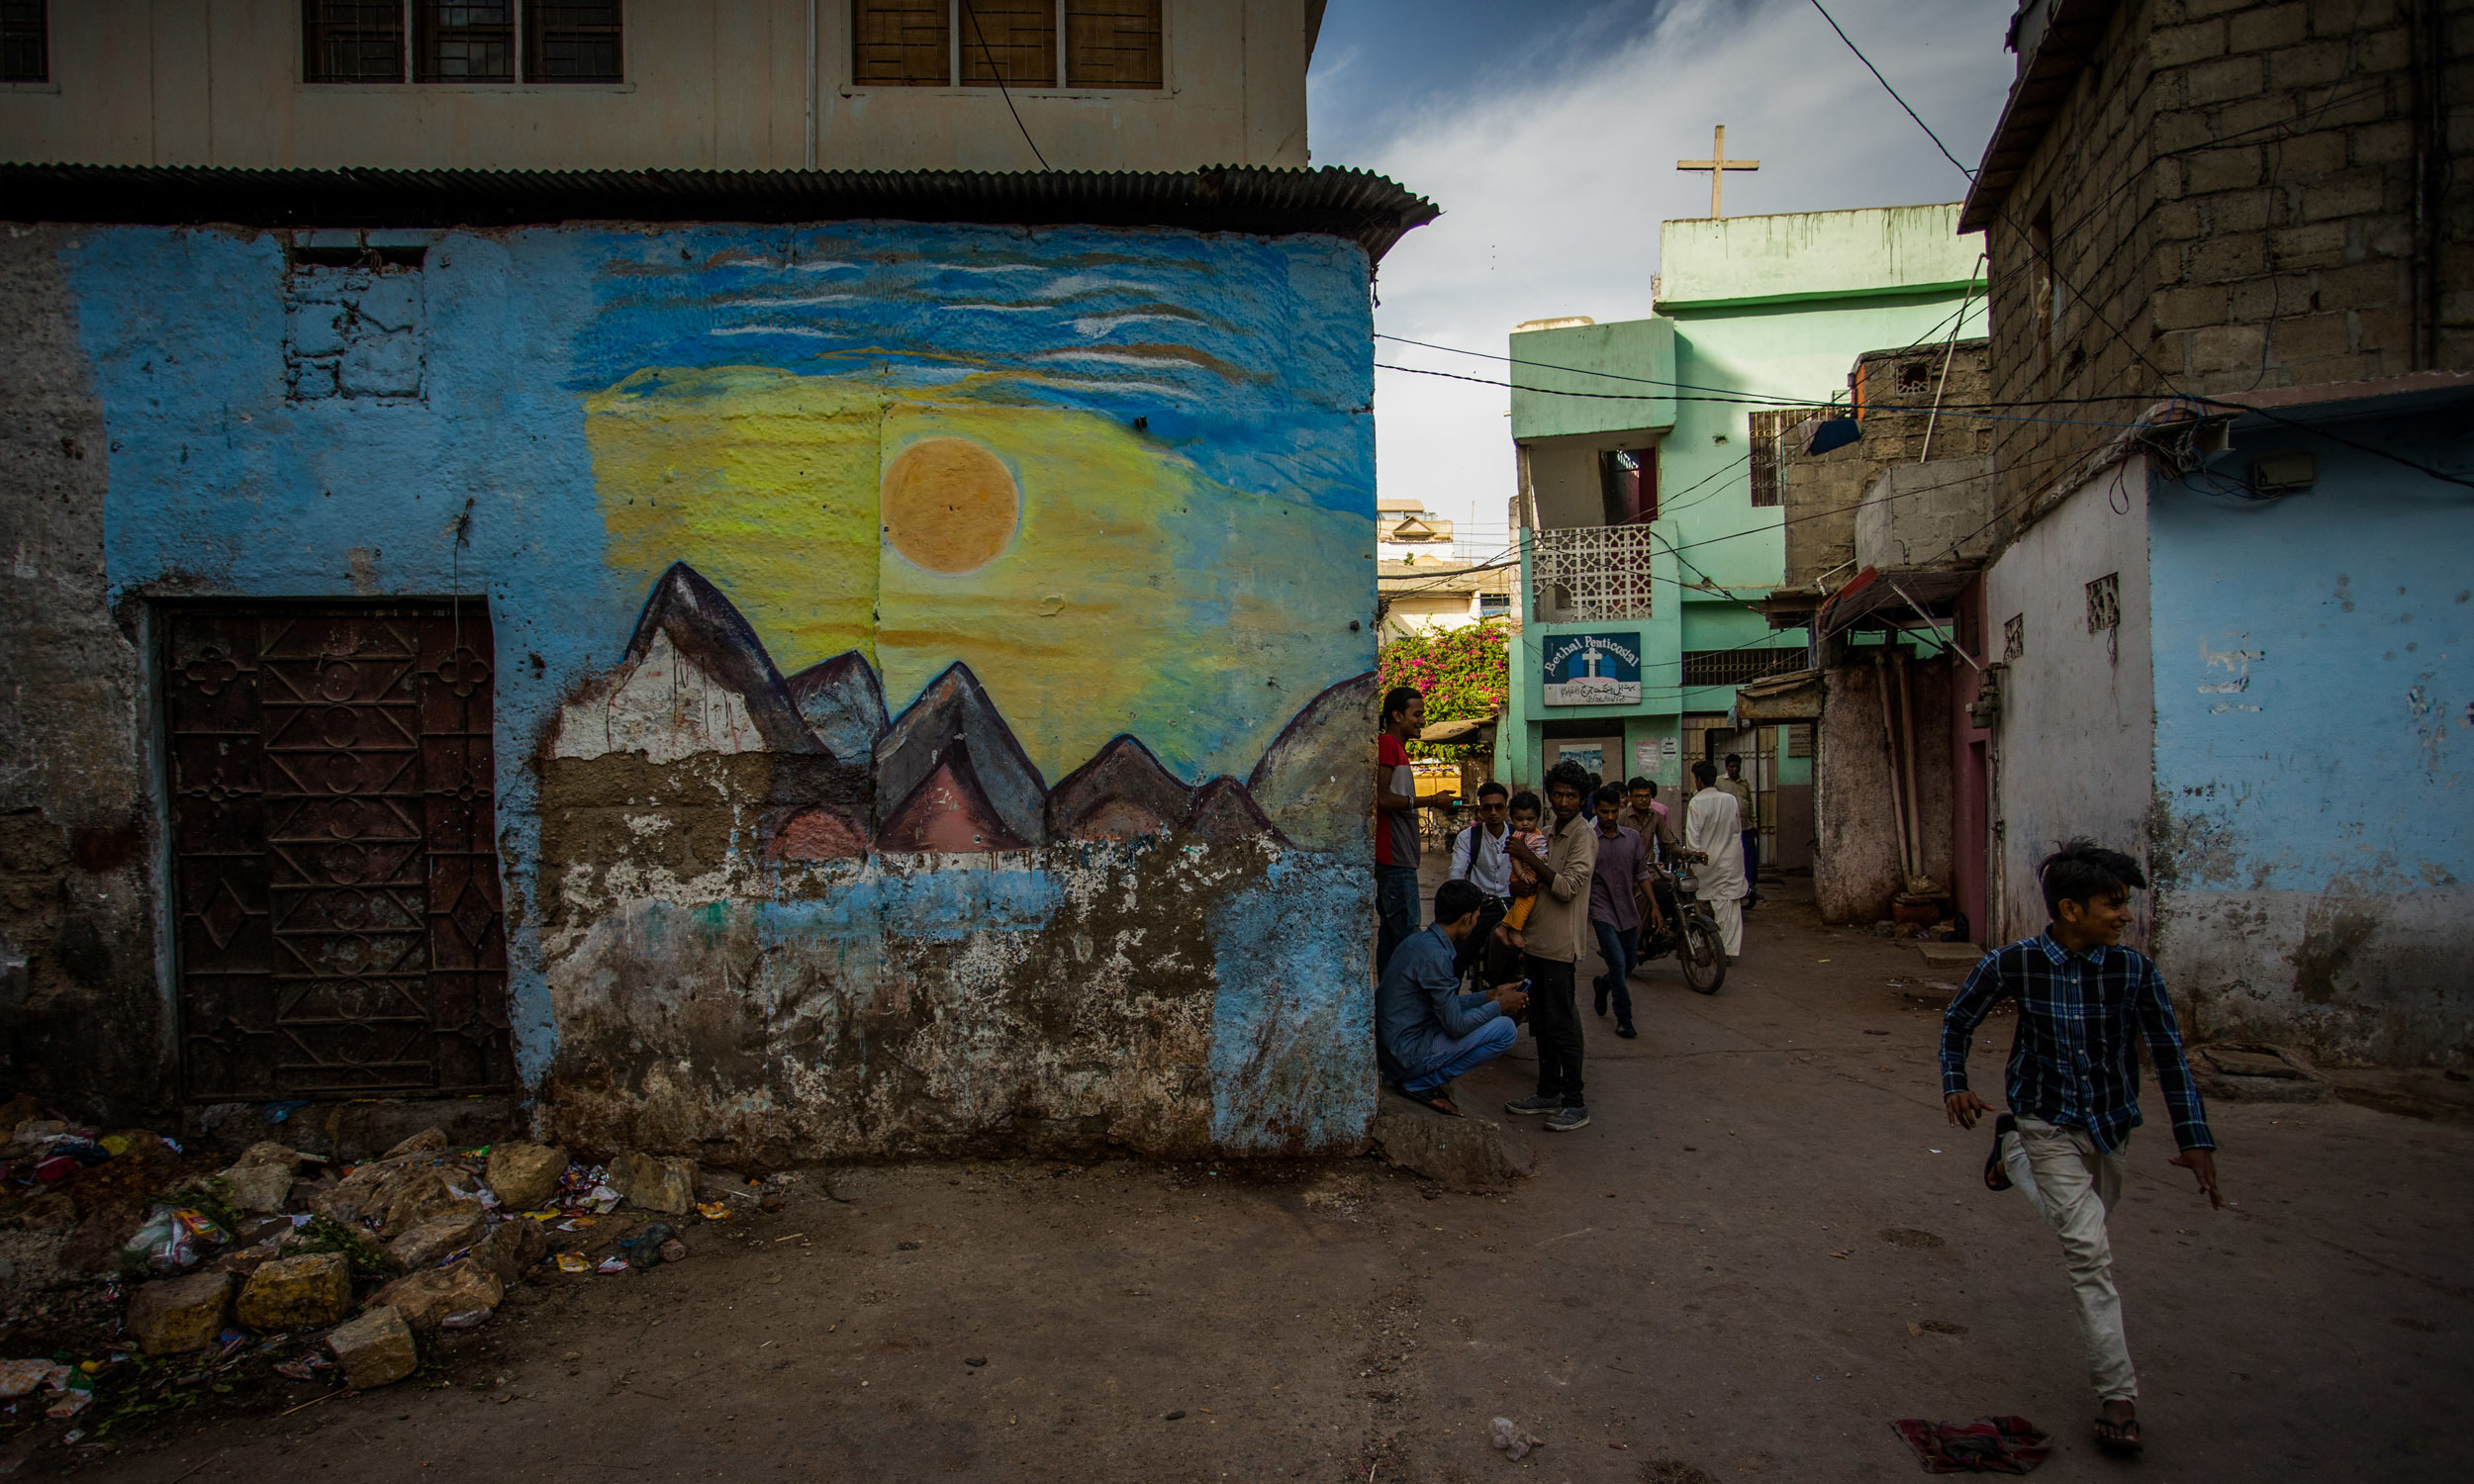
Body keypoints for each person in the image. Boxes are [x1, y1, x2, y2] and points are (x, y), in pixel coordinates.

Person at [1941, 840, 2222, 1456]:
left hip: (2111, 1126)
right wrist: (1956, 1082)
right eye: (2112, 905)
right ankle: (2117, 1394)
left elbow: (2170, 1057)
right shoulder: (2014, 963)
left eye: (2125, 905)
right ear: (2071, 909)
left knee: (2089, 1222)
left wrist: (2194, 1139)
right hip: (2045, 1118)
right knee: (2088, 1249)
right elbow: (1958, 1019)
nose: (2125, 916)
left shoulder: (2135, 972)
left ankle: (2010, 1157)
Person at [1377, 880, 1532, 1117]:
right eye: (1477, 916)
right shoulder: (1436, 957)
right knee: (1505, 1030)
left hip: (1396, 1045)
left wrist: (1489, 995)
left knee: (1490, 1018)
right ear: (1466, 919)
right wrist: (1499, 1005)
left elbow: (1445, 1006)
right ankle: (1421, 1082)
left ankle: (1420, 1079)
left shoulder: (1419, 942)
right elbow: (1456, 1025)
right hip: (1406, 1055)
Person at [1501, 761, 1598, 1132]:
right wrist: (1518, 883)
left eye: (1571, 795)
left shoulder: (1582, 837)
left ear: (1582, 799)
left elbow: (1567, 887)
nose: (1563, 801)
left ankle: (1575, 1101)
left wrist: (1527, 859)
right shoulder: (1548, 832)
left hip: (1560, 944)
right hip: (1536, 939)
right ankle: (1547, 1091)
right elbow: (1528, 884)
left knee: (1562, 1023)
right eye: (1557, 794)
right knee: (1541, 1021)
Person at [1375, 686, 1456, 974]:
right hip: (1393, 857)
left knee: (1391, 937)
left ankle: (1388, 1002)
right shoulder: (1387, 745)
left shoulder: (1397, 749)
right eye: (1417, 714)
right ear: (1397, 715)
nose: (1421, 721)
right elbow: (1381, 798)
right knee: (1408, 936)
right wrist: (1433, 800)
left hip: (1399, 856)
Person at [1584, 786, 1658, 1039]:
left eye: (1614, 812)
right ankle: (1624, 1018)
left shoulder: (1632, 838)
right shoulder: (1588, 840)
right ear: (1595, 810)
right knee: (1616, 961)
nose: (1609, 817)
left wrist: (1655, 907)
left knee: (1629, 963)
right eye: (1604, 812)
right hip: (1601, 910)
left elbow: (1642, 874)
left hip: (1627, 909)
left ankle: (1603, 983)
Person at [1446, 781, 1515, 978]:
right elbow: (1457, 873)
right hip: (1480, 908)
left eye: (1498, 807)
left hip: (1512, 907)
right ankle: (1450, 1002)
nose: (1493, 812)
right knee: (1455, 959)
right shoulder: (1468, 837)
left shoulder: (1519, 836)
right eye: (1487, 807)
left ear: (1506, 809)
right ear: (1480, 810)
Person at [1682, 760, 1746, 960]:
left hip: (1706, 861)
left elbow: (1693, 838)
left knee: (1697, 903)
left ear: (1699, 780)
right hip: (1730, 859)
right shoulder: (1730, 799)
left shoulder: (1696, 802)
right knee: (1728, 905)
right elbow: (1736, 829)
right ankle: (1726, 950)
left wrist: (1691, 862)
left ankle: (1702, 945)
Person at [1488, 791, 1549, 984]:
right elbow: (1514, 858)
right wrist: (1523, 875)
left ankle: (1504, 926)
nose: (1525, 823)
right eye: (1520, 819)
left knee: (1522, 905)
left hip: (1532, 873)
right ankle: (1515, 929)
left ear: (1538, 818)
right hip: (1524, 875)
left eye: (1530, 819)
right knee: (1526, 902)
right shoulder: (1518, 836)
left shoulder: (1537, 835)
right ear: (1512, 818)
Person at [1717, 753, 1760, 909]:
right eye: (1731, 766)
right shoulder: (1719, 782)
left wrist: (1754, 821)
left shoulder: (1744, 782)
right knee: (1730, 858)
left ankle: (1749, 887)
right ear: (1726, 767)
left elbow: (1749, 802)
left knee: (1749, 857)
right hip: (1728, 829)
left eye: (1737, 766)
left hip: (1745, 826)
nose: (1734, 769)